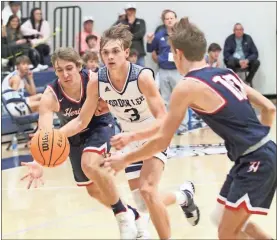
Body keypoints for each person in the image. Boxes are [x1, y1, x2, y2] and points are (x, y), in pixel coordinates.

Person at [105, 18, 276, 240]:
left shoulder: (186, 86)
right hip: (259, 153)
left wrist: (125, 159)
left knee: (227, 233)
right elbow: (269, 108)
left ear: (178, 54)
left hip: (255, 159)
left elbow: (162, 141)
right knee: (221, 218)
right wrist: (133, 137)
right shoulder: (227, 74)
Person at [56, 25, 200, 239]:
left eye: (115, 51)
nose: (110, 57)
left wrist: (132, 136)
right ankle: (183, 196)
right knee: (143, 203)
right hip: (128, 139)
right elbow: (80, 121)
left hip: (153, 135)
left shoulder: (142, 77)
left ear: (126, 52)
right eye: (105, 52)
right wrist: (54, 137)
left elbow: (164, 120)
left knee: (148, 190)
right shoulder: (97, 81)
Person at [20, 47, 145, 239]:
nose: (65, 74)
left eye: (69, 68)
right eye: (59, 70)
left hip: (99, 125)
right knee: (93, 190)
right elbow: (45, 135)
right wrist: (39, 160)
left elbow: (90, 117)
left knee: (89, 164)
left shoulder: (95, 81)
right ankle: (131, 213)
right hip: (71, 135)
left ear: (79, 66)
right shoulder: (50, 96)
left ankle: (122, 218)